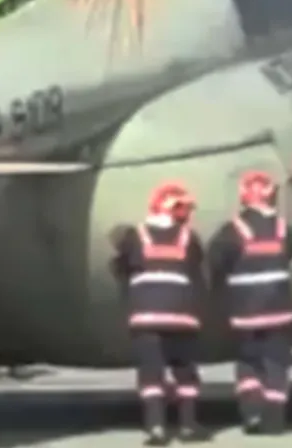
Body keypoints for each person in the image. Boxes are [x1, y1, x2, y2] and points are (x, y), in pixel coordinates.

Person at [109, 183, 207, 445]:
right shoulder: (189, 238)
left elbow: (119, 268)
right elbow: (197, 273)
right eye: (182, 207)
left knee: (151, 375)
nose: (186, 212)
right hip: (182, 318)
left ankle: (156, 429)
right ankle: (188, 426)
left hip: (146, 319)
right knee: (185, 373)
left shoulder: (134, 236)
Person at [209, 171, 292, 436]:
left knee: (248, 363)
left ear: (243, 197)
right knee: (276, 365)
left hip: (245, 313)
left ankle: (252, 413)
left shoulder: (232, 230)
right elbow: (289, 255)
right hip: (279, 312)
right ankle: (275, 420)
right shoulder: (284, 229)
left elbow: (215, 263)